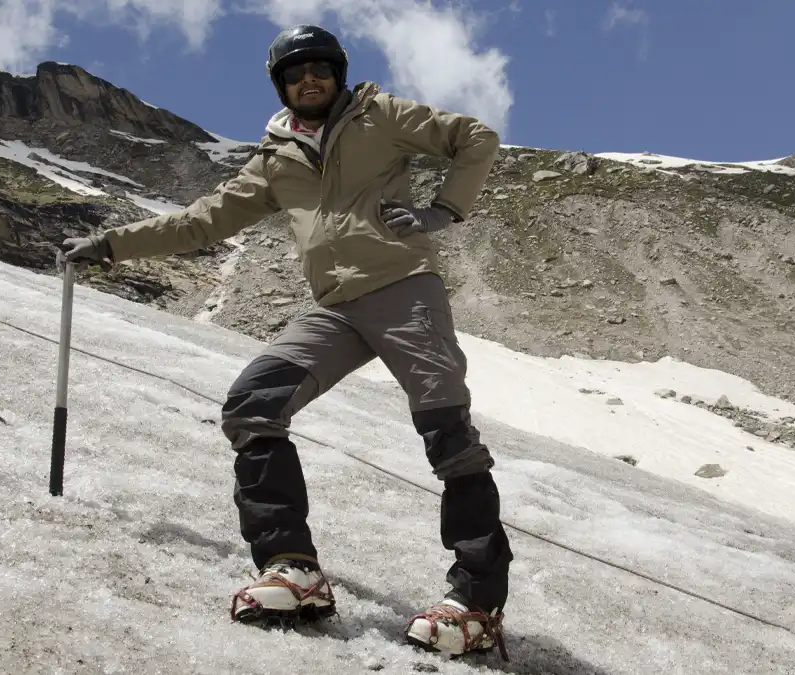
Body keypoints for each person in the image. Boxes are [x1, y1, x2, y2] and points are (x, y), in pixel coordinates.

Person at [58, 24, 513, 660]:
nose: (309, 79)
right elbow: (202, 221)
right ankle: (293, 569)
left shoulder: (380, 115)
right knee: (252, 405)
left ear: (338, 72)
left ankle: (477, 602)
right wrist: (112, 244)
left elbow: (476, 137)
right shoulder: (276, 158)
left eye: (319, 67)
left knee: (448, 435)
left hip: (405, 289)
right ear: (281, 86)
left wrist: (443, 211)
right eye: (295, 73)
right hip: (336, 309)